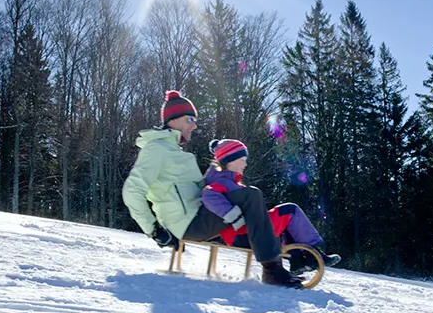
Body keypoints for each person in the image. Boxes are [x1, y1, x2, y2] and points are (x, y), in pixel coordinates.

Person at [121, 90, 305, 288]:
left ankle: (290, 255)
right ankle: (272, 269)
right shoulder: (157, 149)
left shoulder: (173, 151)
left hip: (198, 216)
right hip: (190, 223)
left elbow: (200, 190)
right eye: (190, 119)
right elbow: (132, 191)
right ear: (174, 120)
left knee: (249, 198)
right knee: (251, 196)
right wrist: (155, 231)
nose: (194, 125)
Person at [202, 138, 341, 277]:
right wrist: (233, 215)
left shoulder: (229, 181)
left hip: (246, 231)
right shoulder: (222, 181)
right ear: (230, 160)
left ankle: (299, 260)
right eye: (242, 159)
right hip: (244, 234)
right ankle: (313, 256)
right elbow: (208, 195)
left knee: (286, 219)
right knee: (290, 210)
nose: (245, 164)